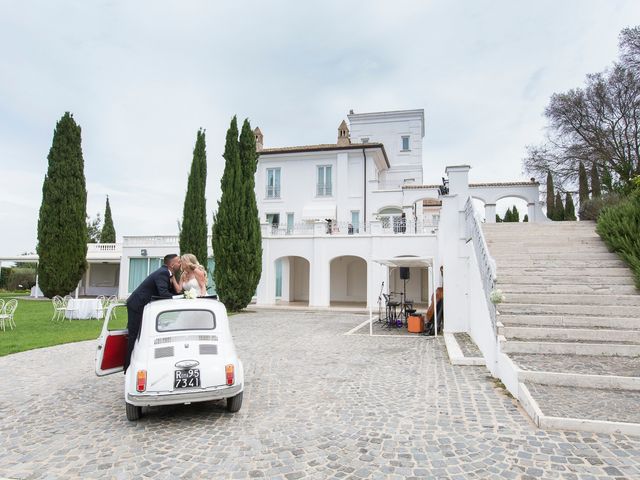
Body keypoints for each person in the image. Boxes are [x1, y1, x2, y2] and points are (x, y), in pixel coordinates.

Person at [124, 253, 181, 372]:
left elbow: (171, 292)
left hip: (144, 306)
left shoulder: (168, 273)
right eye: (178, 262)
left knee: (142, 334)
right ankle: (128, 367)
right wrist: (180, 299)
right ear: (172, 264)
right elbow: (164, 294)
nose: (180, 264)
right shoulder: (162, 273)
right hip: (137, 305)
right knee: (134, 334)